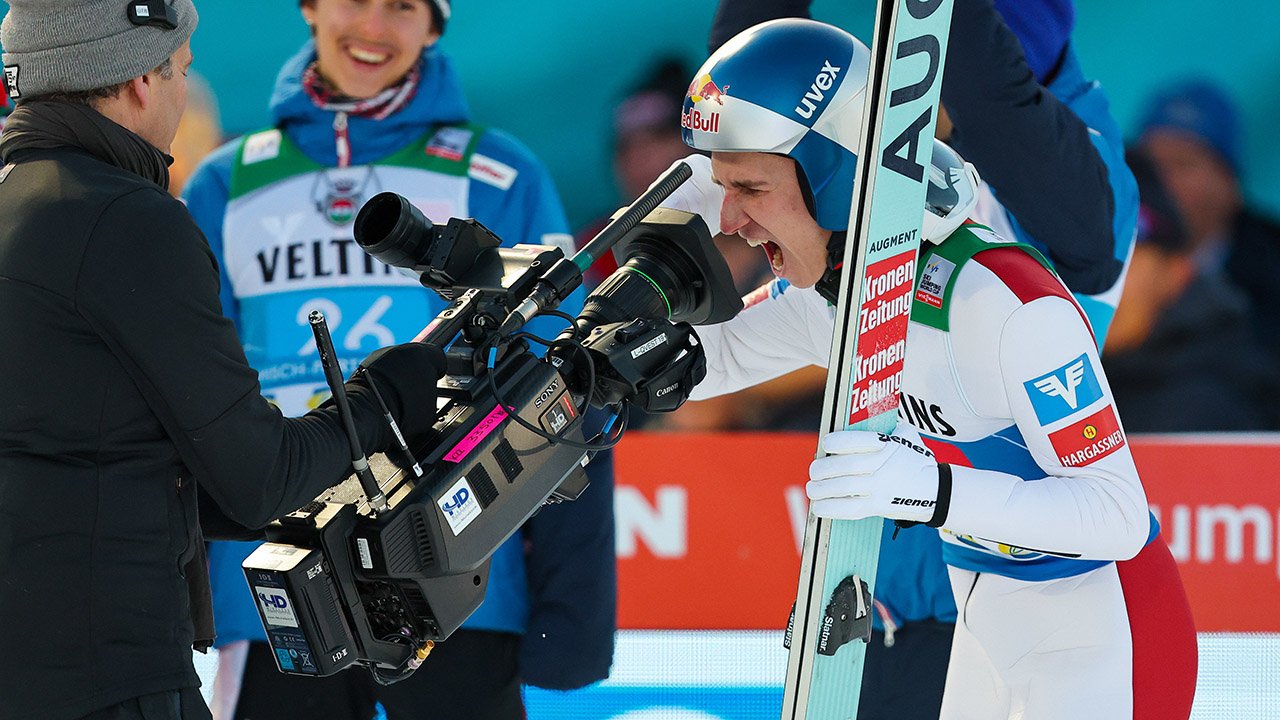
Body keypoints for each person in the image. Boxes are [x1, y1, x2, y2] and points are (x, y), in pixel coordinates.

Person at [667, 19, 1196, 719]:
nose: (731, 221)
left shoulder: (1004, 301)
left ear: (833, 178)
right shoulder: (839, 298)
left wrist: (933, 490)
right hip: (987, 621)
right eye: (722, 190)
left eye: (751, 190)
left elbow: (1118, 516)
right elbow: (708, 362)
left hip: (1106, 636)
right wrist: (630, 290)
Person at [0, 1, 449, 719]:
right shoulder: (124, 218)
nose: (184, 93)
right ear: (141, 79)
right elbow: (259, 478)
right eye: (182, 69)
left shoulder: (23, 203)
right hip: (108, 672)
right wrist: (386, 397)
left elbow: (89, 451)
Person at [181, 2, 615, 719]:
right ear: (310, 7)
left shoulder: (501, 174)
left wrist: (575, 601)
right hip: (278, 585)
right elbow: (188, 395)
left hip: (457, 574)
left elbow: (570, 377)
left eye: (404, 5)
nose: (374, 27)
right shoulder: (223, 183)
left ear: (435, 24)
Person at [1103, 149, 1280, 432]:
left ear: (1177, 272)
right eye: (1070, 261)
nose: (1093, 283)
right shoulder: (1058, 373)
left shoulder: (1212, 405)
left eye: (1124, 255)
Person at [1134, 78, 1280, 361]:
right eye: (1150, 165)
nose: (1162, 182)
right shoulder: (1111, 256)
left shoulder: (1272, 268)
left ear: (1229, 182)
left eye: (1183, 165)